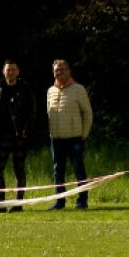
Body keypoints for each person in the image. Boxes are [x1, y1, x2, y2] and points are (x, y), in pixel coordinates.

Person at [0, 59, 34, 213]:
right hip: (0, 135)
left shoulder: (25, 88)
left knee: (19, 169)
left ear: (18, 72)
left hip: (19, 135)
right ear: (3, 71)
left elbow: (31, 111)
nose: (10, 72)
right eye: (8, 70)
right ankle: (1, 205)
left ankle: (18, 204)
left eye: (13, 69)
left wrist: (25, 129)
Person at [46, 59, 92, 210]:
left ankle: (82, 201)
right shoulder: (50, 91)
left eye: (62, 69)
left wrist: (83, 134)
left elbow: (88, 113)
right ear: (53, 72)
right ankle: (59, 202)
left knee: (79, 170)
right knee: (57, 172)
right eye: (56, 70)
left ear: (68, 71)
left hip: (75, 138)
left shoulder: (79, 89)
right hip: (56, 139)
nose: (59, 72)